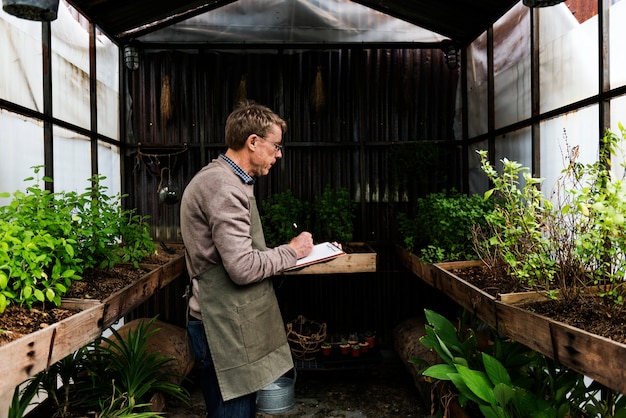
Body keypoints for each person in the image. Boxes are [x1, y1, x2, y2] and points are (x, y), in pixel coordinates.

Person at [180, 100, 314, 418]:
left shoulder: (231, 180)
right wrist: (292, 251)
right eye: (275, 146)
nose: (279, 154)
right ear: (253, 142)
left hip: (229, 319)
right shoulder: (223, 187)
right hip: (220, 324)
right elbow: (241, 268)